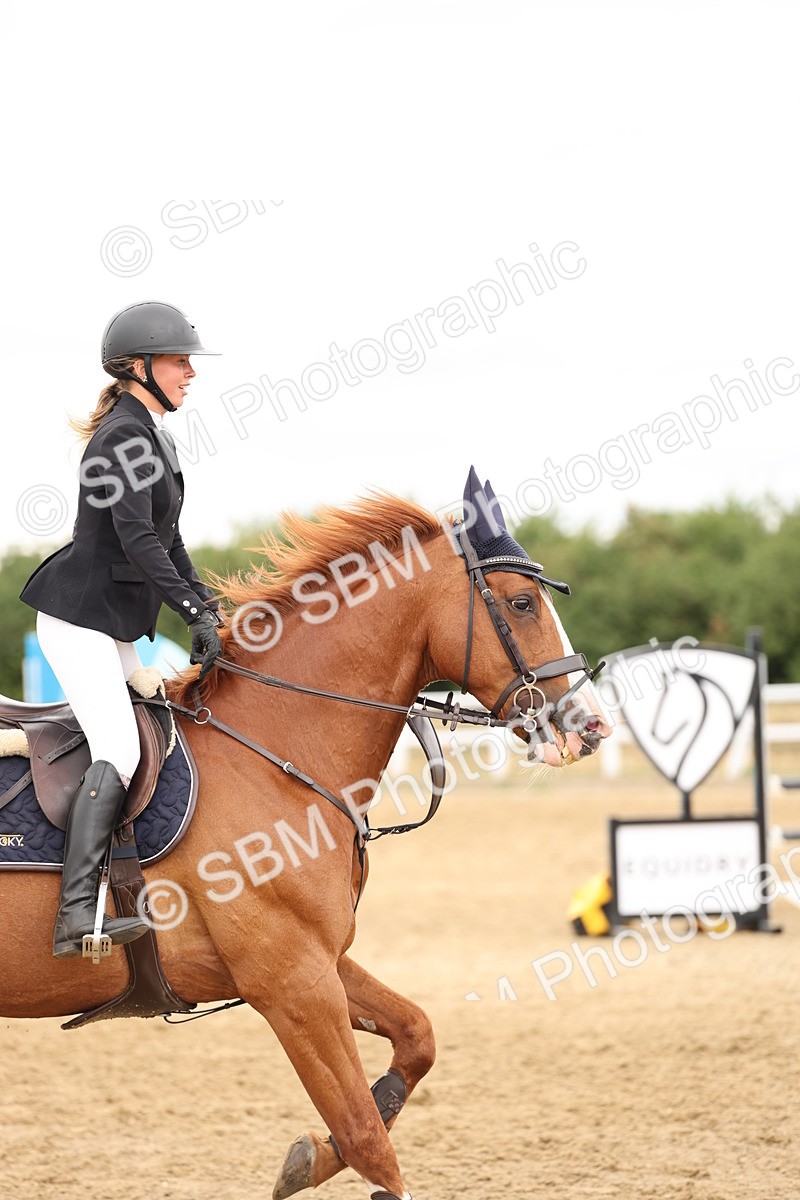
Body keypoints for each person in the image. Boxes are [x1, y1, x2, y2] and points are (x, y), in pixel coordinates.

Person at [20, 301, 223, 959]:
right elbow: (137, 538)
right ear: (139, 368)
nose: (190, 372)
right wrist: (188, 614)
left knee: (155, 725)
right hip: (80, 620)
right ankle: (76, 914)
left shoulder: (151, 432)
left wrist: (206, 606)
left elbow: (173, 539)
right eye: (178, 360)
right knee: (120, 746)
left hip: (110, 627)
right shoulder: (122, 436)